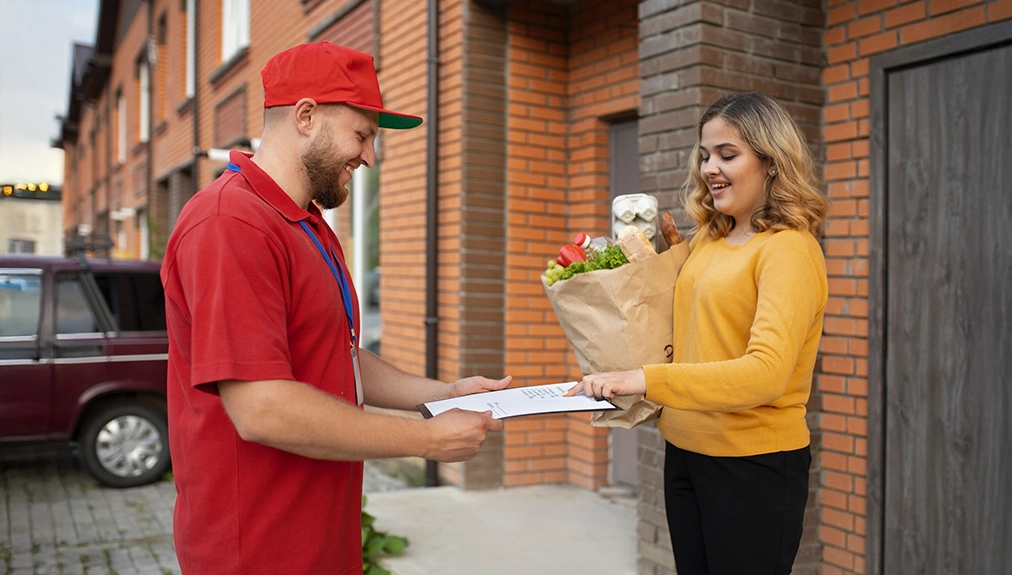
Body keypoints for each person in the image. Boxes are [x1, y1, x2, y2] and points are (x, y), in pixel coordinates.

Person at [160, 42, 509, 575]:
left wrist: (443, 395)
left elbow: (334, 355)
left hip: (321, 539)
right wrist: (428, 439)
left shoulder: (307, 224)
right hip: (255, 550)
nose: (370, 155)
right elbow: (262, 407)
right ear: (305, 116)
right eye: (362, 134)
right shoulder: (230, 224)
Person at [566, 91, 829, 574]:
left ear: (772, 162)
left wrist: (644, 379)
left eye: (728, 155)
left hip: (753, 463)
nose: (710, 167)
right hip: (686, 450)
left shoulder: (789, 250)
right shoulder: (708, 238)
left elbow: (767, 373)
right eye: (705, 154)